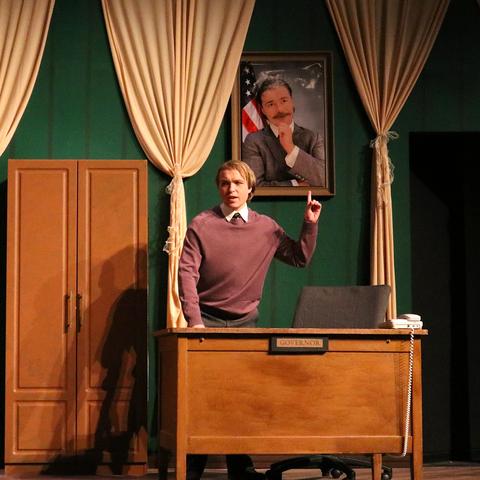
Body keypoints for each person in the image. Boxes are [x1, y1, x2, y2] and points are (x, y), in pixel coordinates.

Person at [178, 160, 322, 479]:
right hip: (208, 324)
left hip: (246, 325)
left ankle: (239, 468)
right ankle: (192, 468)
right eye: (225, 183)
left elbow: (299, 258)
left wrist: (309, 223)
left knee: (240, 399)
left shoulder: (266, 228)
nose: (231, 189)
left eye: (238, 183)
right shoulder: (201, 224)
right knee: (204, 400)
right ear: (219, 188)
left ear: (250, 189)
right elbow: (186, 273)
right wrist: (195, 321)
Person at [242, 78, 325, 187]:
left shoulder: (313, 138)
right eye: (271, 104)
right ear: (263, 110)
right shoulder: (254, 141)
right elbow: (254, 186)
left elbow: (324, 180)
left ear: (292, 103)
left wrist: (290, 148)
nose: (279, 109)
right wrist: (294, 184)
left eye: (284, 101)